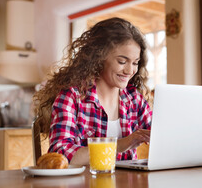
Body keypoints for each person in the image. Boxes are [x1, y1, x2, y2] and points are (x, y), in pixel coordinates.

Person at [33, 17, 152, 166]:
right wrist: (118, 145)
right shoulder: (72, 96)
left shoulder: (134, 99)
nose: (129, 70)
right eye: (122, 61)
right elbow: (61, 153)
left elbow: (162, 137)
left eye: (135, 63)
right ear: (99, 57)